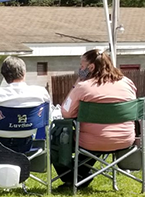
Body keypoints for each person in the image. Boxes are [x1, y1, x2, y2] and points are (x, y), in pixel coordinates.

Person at [54, 49, 137, 188]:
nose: (80, 69)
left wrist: (76, 84)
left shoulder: (83, 87)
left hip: (91, 142)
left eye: (81, 66)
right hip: (125, 140)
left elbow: (66, 113)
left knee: (56, 134)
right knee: (94, 135)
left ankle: (71, 177)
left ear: (91, 67)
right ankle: (82, 176)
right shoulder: (128, 83)